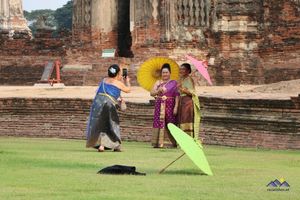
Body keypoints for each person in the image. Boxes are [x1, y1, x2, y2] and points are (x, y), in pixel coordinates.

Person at [86, 64, 131, 152]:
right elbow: (128, 90)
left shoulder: (104, 80)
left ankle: (114, 145)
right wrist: (127, 81)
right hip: (108, 104)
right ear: (118, 73)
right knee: (111, 124)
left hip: (98, 103)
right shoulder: (118, 83)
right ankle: (104, 145)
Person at [150, 63, 179, 148]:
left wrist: (176, 107)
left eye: (166, 72)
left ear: (170, 73)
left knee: (170, 123)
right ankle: (158, 142)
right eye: (163, 72)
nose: (165, 74)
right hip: (159, 105)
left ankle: (171, 142)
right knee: (159, 122)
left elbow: (177, 95)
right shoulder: (158, 82)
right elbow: (151, 93)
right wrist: (158, 90)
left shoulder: (174, 83)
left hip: (170, 105)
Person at [177, 63, 201, 140]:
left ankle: (188, 138)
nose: (181, 71)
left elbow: (192, 92)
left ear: (188, 70)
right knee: (181, 119)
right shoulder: (181, 79)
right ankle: (181, 139)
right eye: (180, 69)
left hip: (187, 102)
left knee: (186, 119)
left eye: (183, 69)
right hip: (182, 101)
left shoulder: (189, 79)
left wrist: (182, 89)